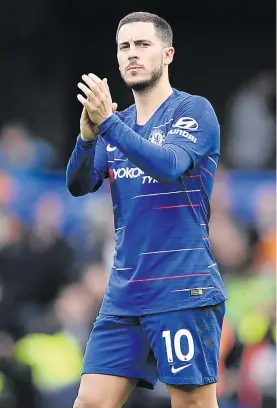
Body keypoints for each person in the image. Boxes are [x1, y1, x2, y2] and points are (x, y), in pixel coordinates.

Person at [66, 11, 227, 408]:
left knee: (192, 404)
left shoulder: (194, 111)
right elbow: (78, 184)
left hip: (182, 288)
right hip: (125, 294)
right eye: (124, 47)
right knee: (89, 403)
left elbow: (169, 165)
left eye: (143, 45)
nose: (132, 54)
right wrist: (87, 139)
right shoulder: (113, 124)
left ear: (168, 54)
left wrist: (107, 127)